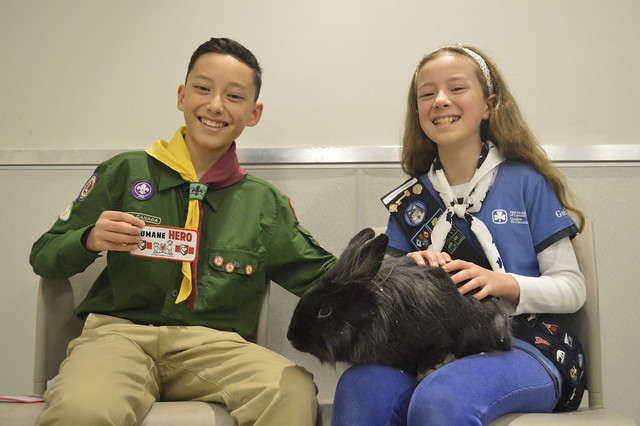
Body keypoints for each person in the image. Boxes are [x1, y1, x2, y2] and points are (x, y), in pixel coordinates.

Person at [30, 37, 335, 426]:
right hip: (119, 337)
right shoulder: (125, 173)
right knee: (80, 409)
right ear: (181, 95)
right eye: (203, 89)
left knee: (291, 390)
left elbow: (326, 279)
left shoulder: (264, 204)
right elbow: (44, 256)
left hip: (215, 346)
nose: (215, 105)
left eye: (234, 96)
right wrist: (87, 238)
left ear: (254, 113)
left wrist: (401, 270)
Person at [331, 45, 587, 425]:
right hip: (436, 349)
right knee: (361, 385)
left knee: (442, 398)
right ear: (417, 112)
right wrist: (408, 273)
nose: (440, 101)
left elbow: (572, 289)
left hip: (526, 344)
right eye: (427, 93)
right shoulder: (410, 202)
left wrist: (503, 284)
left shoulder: (526, 183)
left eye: (456, 88)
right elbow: (384, 306)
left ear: (489, 105)